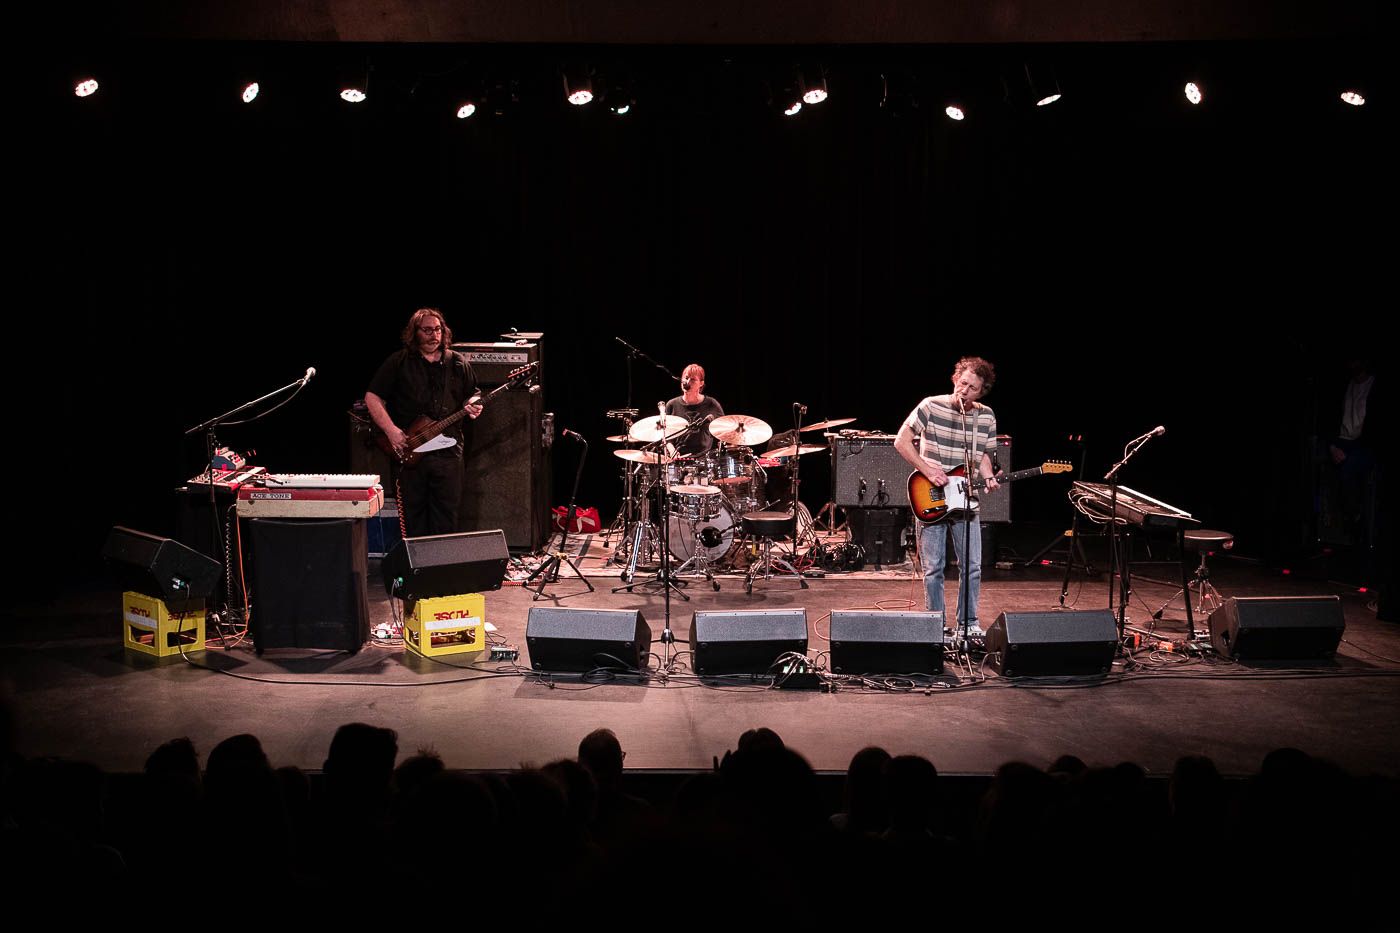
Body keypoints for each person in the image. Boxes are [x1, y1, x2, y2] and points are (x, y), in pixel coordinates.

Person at [894, 356, 1001, 639]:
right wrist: (927, 469)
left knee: (972, 567)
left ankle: (969, 623)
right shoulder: (930, 405)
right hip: (932, 497)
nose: (964, 390)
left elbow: (983, 455)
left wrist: (989, 475)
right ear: (955, 379)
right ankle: (935, 624)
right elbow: (901, 441)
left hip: (966, 499)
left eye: (972, 388)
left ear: (982, 391)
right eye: (962, 383)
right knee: (934, 568)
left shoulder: (986, 416)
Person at [365, 307, 481, 537]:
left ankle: (441, 561)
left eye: (438, 329)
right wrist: (391, 431)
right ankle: (416, 560)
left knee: (446, 518)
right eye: (427, 330)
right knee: (413, 518)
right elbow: (372, 397)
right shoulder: (399, 362)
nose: (434, 335)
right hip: (411, 450)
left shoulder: (457, 363)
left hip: (448, 452)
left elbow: (472, 394)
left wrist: (474, 404)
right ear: (414, 332)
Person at [665, 363, 725, 457]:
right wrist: (672, 450)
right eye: (686, 378)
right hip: (678, 459)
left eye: (693, 379)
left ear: (701, 383)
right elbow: (665, 435)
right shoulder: (672, 405)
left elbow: (725, 431)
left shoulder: (712, 404)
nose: (687, 382)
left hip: (705, 459)